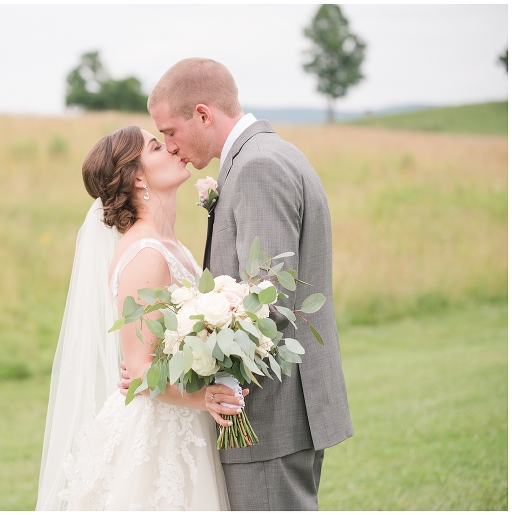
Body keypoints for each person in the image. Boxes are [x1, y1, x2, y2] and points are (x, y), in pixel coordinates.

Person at [121, 57, 354, 511]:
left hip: (270, 416)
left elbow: (267, 299)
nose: (170, 146)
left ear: (203, 115)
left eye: (169, 132)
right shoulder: (269, 154)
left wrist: (176, 367)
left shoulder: (256, 167)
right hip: (279, 410)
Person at [36, 126, 241, 510]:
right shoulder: (146, 253)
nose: (173, 149)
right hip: (157, 433)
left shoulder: (171, 246)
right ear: (138, 177)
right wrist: (204, 399)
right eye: (156, 146)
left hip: (181, 419)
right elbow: (140, 372)